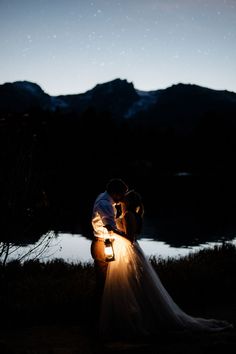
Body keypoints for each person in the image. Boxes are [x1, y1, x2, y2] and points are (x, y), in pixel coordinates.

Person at [99, 190, 233, 340]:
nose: (121, 201)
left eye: (124, 199)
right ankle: (140, 315)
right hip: (131, 250)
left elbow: (129, 239)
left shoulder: (129, 215)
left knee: (132, 284)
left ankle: (139, 319)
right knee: (137, 285)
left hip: (128, 251)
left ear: (128, 202)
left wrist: (113, 231)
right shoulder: (133, 214)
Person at [91, 178, 129, 301]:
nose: (124, 197)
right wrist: (128, 239)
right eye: (122, 194)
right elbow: (110, 228)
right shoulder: (105, 203)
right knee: (104, 281)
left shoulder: (104, 197)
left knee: (107, 280)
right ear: (116, 193)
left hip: (103, 243)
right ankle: (100, 308)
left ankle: (105, 305)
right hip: (103, 244)